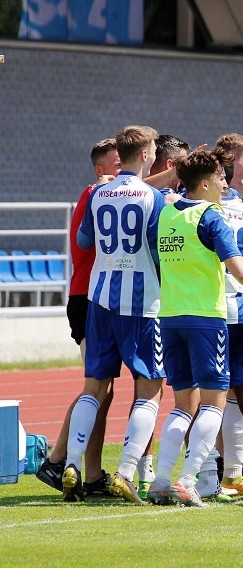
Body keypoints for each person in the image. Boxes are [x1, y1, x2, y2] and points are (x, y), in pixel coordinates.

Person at [145, 150, 243, 506]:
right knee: (213, 404)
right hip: (206, 319)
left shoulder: (167, 212)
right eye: (221, 178)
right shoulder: (211, 217)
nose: (226, 184)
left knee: (183, 405)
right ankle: (187, 479)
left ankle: (161, 480)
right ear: (207, 182)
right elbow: (240, 269)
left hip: (171, 317)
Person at [62, 125, 165, 503]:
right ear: (145, 154)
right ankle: (125, 470)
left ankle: (72, 463)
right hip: (142, 303)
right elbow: (157, 250)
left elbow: (85, 240)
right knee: (149, 390)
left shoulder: (98, 193)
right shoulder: (154, 197)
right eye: (153, 150)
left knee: (94, 387)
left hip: (100, 297)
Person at [36, 139, 121, 497]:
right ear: (101, 170)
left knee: (105, 389)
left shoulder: (115, 194)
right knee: (96, 387)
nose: (126, 171)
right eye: (119, 164)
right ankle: (57, 461)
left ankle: (90, 474)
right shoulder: (96, 193)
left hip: (99, 298)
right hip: (86, 299)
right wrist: (177, 171)